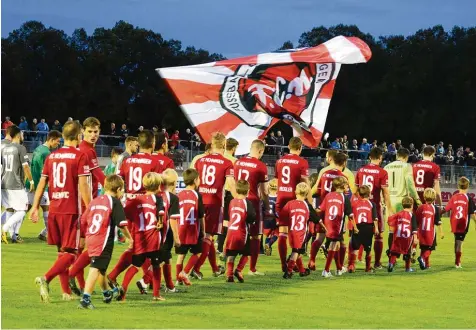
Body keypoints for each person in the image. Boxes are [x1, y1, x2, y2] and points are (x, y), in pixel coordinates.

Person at [31, 120, 92, 302]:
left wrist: (34, 207)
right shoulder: (80, 156)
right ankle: (46, 278)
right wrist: (90, 209)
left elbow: (42, 182)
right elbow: (83, 186)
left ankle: (65, 292)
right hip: (71, 210)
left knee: (62, 253)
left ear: (63, 136)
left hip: (54, 209)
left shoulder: (52, 156)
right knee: (71, 253)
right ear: (79, 135)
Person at [106, 130, 162, 291]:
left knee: (137, 247)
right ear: (152, 144)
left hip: (129, 205)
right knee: (144, 247)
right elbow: (156, 186)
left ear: (139, 143)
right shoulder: (154, 162)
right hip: (145, 208)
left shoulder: (129, 161)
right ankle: (117, 275)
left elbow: (118, 180)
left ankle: (145, 279)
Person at [78, 175, 133, 309]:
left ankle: (106, 293)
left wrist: (83, 237)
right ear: (119, 189)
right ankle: (85, 299)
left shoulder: (95, 200)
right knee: (96, 267)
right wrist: (130, 238)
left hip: (92, 236)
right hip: (103, 239)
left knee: (101, 268)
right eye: (122, 190)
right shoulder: (114, 202)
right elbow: (121, 223)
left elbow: (83, 220)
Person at [69, 117, 107, 294]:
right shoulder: (87, 151)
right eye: (90, 131)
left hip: (80, 202)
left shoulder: (84, 149)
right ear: (83, 131)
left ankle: (79, 281)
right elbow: (98, 173)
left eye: (96, 131)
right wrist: (113, 188)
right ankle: (72, 274)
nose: (93, 135)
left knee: (81, 244)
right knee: (93, 247)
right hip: (86, 203)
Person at [192, 132, 235, 279]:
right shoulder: (227, 163)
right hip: (215, 203)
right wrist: (239, 199)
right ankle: (196, 268)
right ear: (223, 145)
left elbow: (195, 182)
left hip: (199, 200)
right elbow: (230, 183)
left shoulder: (200, 161)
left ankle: (215, 268)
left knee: (206, 237)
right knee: (208, 237)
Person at [117, 172, 166, 301]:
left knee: (135, 265)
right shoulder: (158, 198)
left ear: (144, 185)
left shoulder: (136, 200)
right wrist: (160, 221)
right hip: (153, 238)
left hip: (139, 237)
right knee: (156, 266)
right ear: (159, 185)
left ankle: (123, 288)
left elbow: (125, 213)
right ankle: (156, 294)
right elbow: (161, 211)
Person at [233, 139, 269, 276]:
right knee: (255, 236)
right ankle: (252, 269)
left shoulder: (238, 162)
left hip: (238, 201)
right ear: (260, 151)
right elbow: (264, 191)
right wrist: (267, 207)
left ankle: (229, 265)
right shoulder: (260, 166)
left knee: (236, 233)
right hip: (252, 203)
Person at [275, 137, 309, 271]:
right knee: (297, 232)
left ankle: (285, 264)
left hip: (281, 199)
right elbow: (305, 182)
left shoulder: (279, 161)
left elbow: (278, 180)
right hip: (296, 199)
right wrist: (310, 201)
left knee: (282, 233)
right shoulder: (302, 162)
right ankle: (295, 263)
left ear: (288, 146)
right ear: (300, 148)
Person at [355, 147, 392, 268]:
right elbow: (385, 193)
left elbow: (355, 190)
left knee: (358, 232)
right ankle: (377, 263)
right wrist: (389, 208)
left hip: (360, 206)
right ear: (381, 158)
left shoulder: (360, 170)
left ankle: (352, 262)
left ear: (369, 157)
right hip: (374, 206)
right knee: (378, 235)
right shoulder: (382, 172)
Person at [384, 148, 421, 257]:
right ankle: (406, 255)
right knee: (406, 228)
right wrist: (417, 199)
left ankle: (392, 254)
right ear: (406, 157)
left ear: (397, 156)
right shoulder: (407, 166)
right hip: (402, 200)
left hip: (390, 200)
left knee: (392, 229)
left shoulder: (386, 167)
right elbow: (410, 183)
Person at [26, 130, 62, 241]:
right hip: (39, 186)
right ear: (51, 139)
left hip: (31, 185)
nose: (58, 143)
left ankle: (44, 233)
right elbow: (42, 171)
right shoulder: (46, 153)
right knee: (47, 209)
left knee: (23, 209)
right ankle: (49, 234)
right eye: (57, 141)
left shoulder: (38, 149)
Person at [1, 126, 34, 243]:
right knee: (22, 210)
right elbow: (25, 166)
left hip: (4, 183)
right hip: (16, 184)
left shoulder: (4, 148)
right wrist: (31, 181)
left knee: (10, 209)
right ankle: (4, 229)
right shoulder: (20, 148)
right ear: (18, 135)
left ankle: (12, 236)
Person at [280, 182, 320, 279]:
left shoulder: (289, 203)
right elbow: (316, 218)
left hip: (291, 232)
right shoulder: (306, 205)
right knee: (296, 252)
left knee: (297, 252)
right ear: (307, 194)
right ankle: (288, 271)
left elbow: (283, 216)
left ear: (295, 192)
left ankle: (302, 270)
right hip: (301, 233)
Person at [318, 177, 354, 278]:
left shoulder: (328, 195)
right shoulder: (344, 198)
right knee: (334, 246)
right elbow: (350, 215)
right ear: (342, 186)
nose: (348, 186)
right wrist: (355, 227)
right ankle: (326, 270)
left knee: (337, 245)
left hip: (328, 225)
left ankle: (339, 268)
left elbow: (321, 209)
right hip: (337, 226)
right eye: (347, 184)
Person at [175, 169, 205, 286]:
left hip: (181, 228)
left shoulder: (179, 195)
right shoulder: (197, 195)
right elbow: (201, 215)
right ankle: (185, 272)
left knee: (180, 256)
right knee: (198, 252)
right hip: (193, 229)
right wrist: (203, 230)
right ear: (195, 180)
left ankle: (178, 280)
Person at [225, 180, 256, 283]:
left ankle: (229, 276)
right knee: (246, 253)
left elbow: (230, 215)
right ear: (248, 191)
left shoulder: (232, 201)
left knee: (231, 255)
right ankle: (238, 270)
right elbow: (251, 217)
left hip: (231, 232)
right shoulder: (247, 203)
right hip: (242, 233)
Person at [442, 177, 476, 268]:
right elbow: (472, 214)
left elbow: (446, 209)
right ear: (468, 186)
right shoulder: (468, 198)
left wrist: (437, 214)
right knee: (460, 243)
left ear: (458, 186)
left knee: (456, 241)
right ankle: (457, 263)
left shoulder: (454, 197)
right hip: (463, 223)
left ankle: (456, 261)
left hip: (454, 223)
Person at [216, 138, 239, 259]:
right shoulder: (234, 161)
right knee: (227, 221)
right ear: (234, 148)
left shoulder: (220, 157)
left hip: (218, 192)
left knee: (220, 220)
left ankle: (217, 244)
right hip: (229, 192)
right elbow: (232, 181)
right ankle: (222, 246)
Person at [347, 185, 379, 273]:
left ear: (359, 194)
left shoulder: (354, 203)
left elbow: (351, 217)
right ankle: (368, 267)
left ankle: (351, 266)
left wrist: (355, 227)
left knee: (355, 248)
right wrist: (376, 228)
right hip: (368, 228)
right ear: (369, 194)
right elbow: (375, 218)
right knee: (368, 249)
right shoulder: (372, 204)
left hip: (358, 227)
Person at [387, 197, 418, 273]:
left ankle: (391, 264)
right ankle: (407, 268)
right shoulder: (412, 215)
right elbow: (414, 228)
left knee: (395, 251)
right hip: (407, 238)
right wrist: (415, 238)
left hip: (398, 236)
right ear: (412, 205)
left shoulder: (398, 214)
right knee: (408, 252)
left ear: (402, 205)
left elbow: (389, 220)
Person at [415, 188, 443, 270]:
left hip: (421, 232)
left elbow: (417, 220)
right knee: (429, 249)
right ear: (434, 198)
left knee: (423, 248)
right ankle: (422, 258)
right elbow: (438, 222)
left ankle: (427, 265)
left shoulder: (420, 207)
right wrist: (441, 232)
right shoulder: (435, 208)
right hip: (430, 233)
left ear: (424, 197)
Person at [263, 178, 278, 256]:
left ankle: (267, 250)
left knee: (268, 235)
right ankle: (269, 245)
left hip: (266, 219)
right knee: (277, 234)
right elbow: (278, 210)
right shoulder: (278, 198)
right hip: (274, 219)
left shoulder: (265, 197)